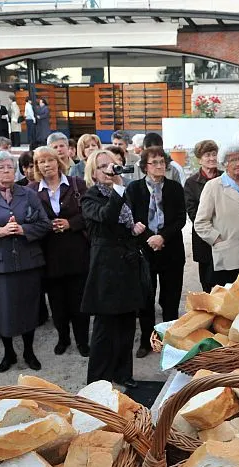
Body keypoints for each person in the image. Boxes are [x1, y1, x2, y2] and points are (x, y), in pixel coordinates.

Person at [0, 151, 51, 372]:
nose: (7, 171)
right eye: (1, 167)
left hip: (27, 262)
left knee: (28, 308)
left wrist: (24, 229)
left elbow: (44, 224)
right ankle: (8, 353)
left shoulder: (28, 194)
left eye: (10, 167)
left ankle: (29, 351)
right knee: (2, 310)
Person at [81, 149, 147, 387]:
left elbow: (122, 225)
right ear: (94, 173)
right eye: (102, 166)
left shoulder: (124, 193)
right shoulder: (90, 197)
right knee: (104, 329)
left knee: (127, 326)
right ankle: (97, 381)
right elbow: (107, 217)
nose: (109, 170)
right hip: (106, 270)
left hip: (127, 266)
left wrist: (134, 230)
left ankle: (123, 374)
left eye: (112, 164)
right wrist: (119, 187)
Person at [29, 146, 90, 357]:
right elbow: (29, 220)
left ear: (58, 161)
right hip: (49, 255)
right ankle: (63, 338)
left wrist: (70, 223)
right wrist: (47, 225)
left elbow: (90, 215)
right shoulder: (32, 190)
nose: (46, 165)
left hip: (76, 252)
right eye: (41, 162)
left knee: (78, 302)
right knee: (57, 304)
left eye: (49, 160)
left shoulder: (77, 185)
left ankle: (83, 341)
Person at [127, 146, 186, 359]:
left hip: (171, 248)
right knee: (146, 298)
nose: (160, 166)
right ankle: (146, 340)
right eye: (155, 162)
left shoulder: (175, 188)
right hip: (145, 251)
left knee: (170, 299)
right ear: (145, 166)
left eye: (163, 162)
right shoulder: (133, 189)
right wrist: (149, 238)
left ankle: (170, 340)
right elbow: (131, 219)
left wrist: (162, 237)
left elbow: (181, 218)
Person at [195, 142, 239, 286]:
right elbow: (201, 223)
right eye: (233, 160)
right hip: (227, 256)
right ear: (224, 163)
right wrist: (217, 240)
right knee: (228, 302)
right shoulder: (214, 187)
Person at [184, 139, 221, 292]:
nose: (212, 158)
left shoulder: (225, 178)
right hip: (203, 238)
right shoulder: (191, 183)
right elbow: (192, 212)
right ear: (199, 159)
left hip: (225, 235)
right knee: (206, 280)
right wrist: (210, 229)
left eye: (214, 154)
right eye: (207, 155)